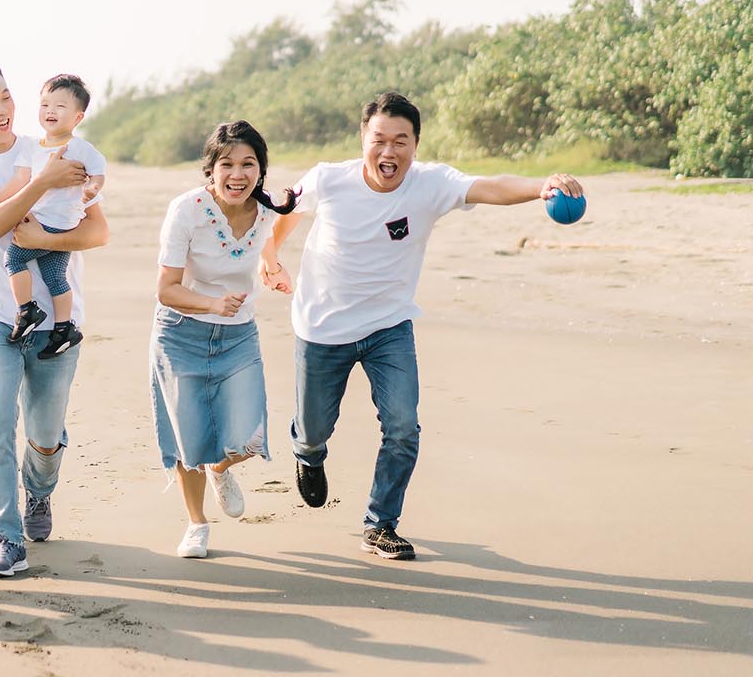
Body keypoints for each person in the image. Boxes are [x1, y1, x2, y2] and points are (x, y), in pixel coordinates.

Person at [260, 91, 584, 561]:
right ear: (363, 139)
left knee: (403, 427)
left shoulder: (431, 183)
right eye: (379, 140)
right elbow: (287, 214)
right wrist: (270, 256)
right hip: (323, 328)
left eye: (401, 141)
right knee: (314, 429)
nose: (388, 151)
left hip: (389, 327)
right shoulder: (329, 179)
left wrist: (542, 187)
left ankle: (380, 523)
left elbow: (490, 187)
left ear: (415, 144)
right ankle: (308, 454)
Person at [0, 58, 109, 579]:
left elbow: (97, 232)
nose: (2, 110)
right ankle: (6, 539)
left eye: (6, 97)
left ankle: (39, 490)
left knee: (45, 434)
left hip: (56, 320)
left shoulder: (55, 147)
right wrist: (41, 184)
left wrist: (44, 238)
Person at [152, 121, 298, 558]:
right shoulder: (187, 210)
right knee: (190, 438)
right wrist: (212, 304)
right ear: (211, 170)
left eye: (248, 164)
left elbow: (273, 230)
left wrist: (272, 265)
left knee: (250, 436)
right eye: (227, 165)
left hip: (238, 336)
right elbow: (166, 289)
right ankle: (197, 524)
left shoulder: (268, 209)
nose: (238, 174)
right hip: (181, 333)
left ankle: (220, 468)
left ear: (261, 170)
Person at [0, 74, 107, 358]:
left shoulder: (80, 148)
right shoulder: (33, 148)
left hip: (55, 223)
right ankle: (64, 328)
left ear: (77, 117)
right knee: (55, 276)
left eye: (60, 106)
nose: (50, 111)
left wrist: (92, 188)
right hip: (61, 228)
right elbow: (21, 180)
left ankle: (27, 310)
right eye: (45, 105)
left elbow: (98, 172)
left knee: (14, 259)